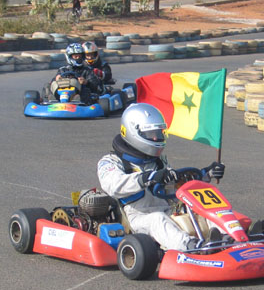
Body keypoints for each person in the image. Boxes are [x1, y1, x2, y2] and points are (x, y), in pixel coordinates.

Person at [97, 103, 226, 252]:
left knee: (201, 207)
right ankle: (192, 247)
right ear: (133, 132)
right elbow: (113, 186)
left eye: (158, 133)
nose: (155, 137)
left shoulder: (158, 162)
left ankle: (226, 237)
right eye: (151, 134)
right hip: (138, 217)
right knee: (157, 219)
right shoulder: (110, 162)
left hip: (168, 210)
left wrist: (206, 175)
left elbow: (174, 188)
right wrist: (147, 178)